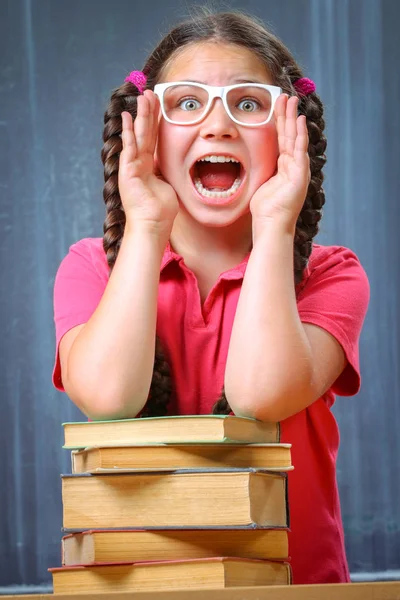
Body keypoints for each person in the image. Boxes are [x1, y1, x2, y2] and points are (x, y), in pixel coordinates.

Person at [52, 8, 369, 585]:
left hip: (295, 590)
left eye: (248, 104)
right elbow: (107, 396)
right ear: (143, 130)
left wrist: (275, 224)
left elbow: (260, 395)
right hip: (134, 588)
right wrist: (145, 226)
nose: (218, 126)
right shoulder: (91, 269)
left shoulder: (332, 274)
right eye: (187, 103)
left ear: (288, 131)